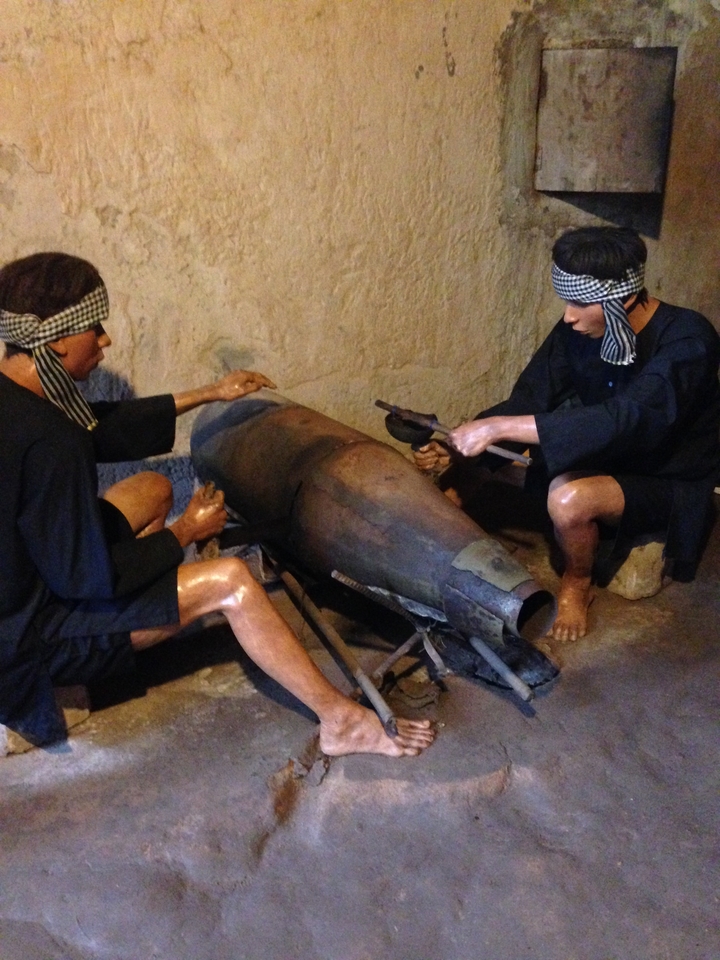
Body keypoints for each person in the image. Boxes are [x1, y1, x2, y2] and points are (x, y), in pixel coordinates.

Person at [0, 251, 434, 757]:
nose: (105, 341)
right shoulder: (51, 441)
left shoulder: (25, 405)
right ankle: (341, 721)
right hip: (29, 636)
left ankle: (136, 629)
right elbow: (85, 578)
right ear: (56, 338)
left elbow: (103, 426)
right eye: (95, 328)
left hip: (22, 583)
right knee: (232, 581)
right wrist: (184, 532)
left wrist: (212, 392)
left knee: (150, 488)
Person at [415, 226, 720, 642]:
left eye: (579, 302)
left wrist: (499, 428)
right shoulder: (576, 331)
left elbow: (630, 417)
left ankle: (578, 581)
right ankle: (437, 542)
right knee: (487, 455)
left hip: (665, 474)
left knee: (567, 498)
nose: (568, 316)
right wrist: (463, 440)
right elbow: (530, 398)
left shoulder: (688, 338)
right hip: (606, 455)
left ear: (623, 298)